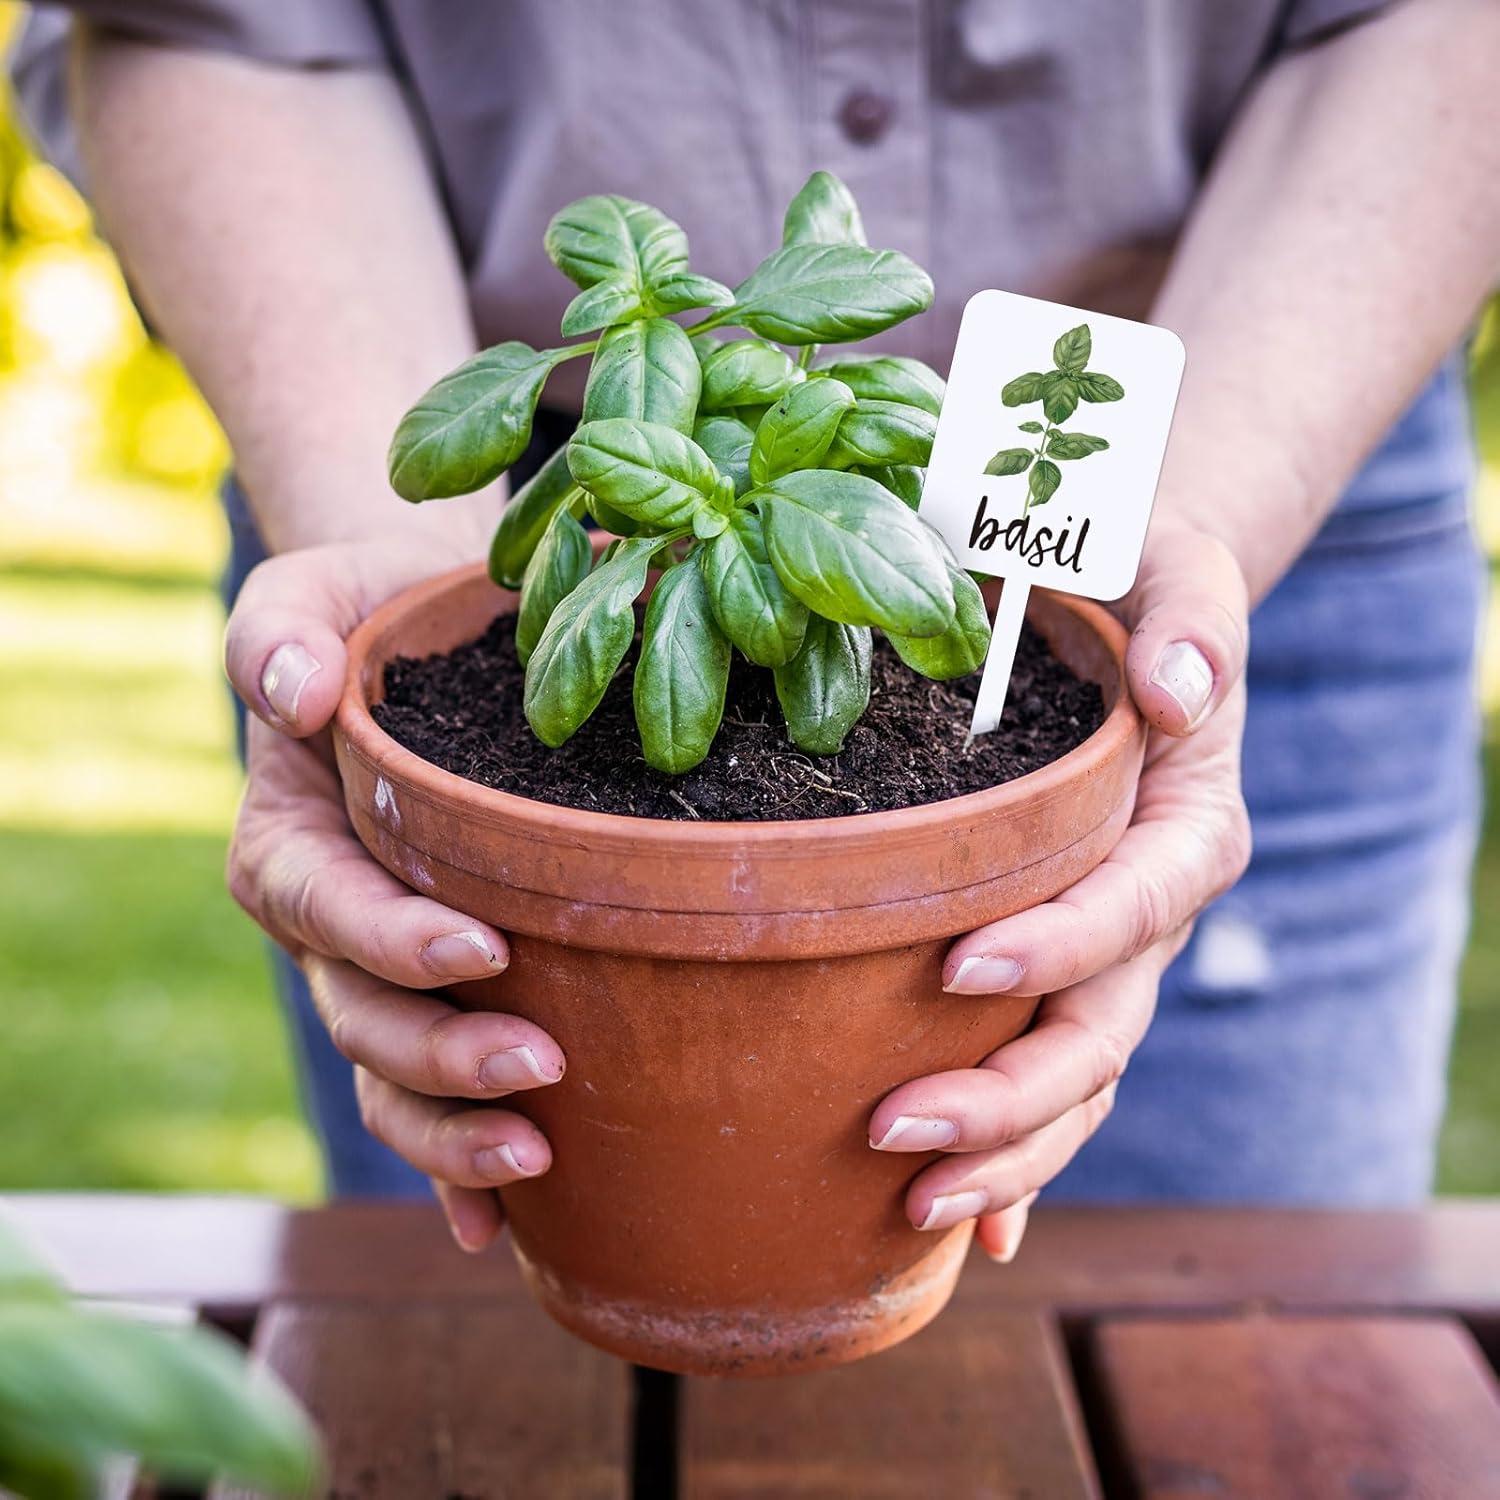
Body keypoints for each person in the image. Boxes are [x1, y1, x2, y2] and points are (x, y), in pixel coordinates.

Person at [15, 0, 1497, 1259]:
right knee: (484, 1382)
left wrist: (1175, 532)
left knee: (1228, 1346)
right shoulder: (643, 475)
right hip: (462, 448)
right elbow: (217, 21)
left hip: (1231, 432)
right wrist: (400, 577)